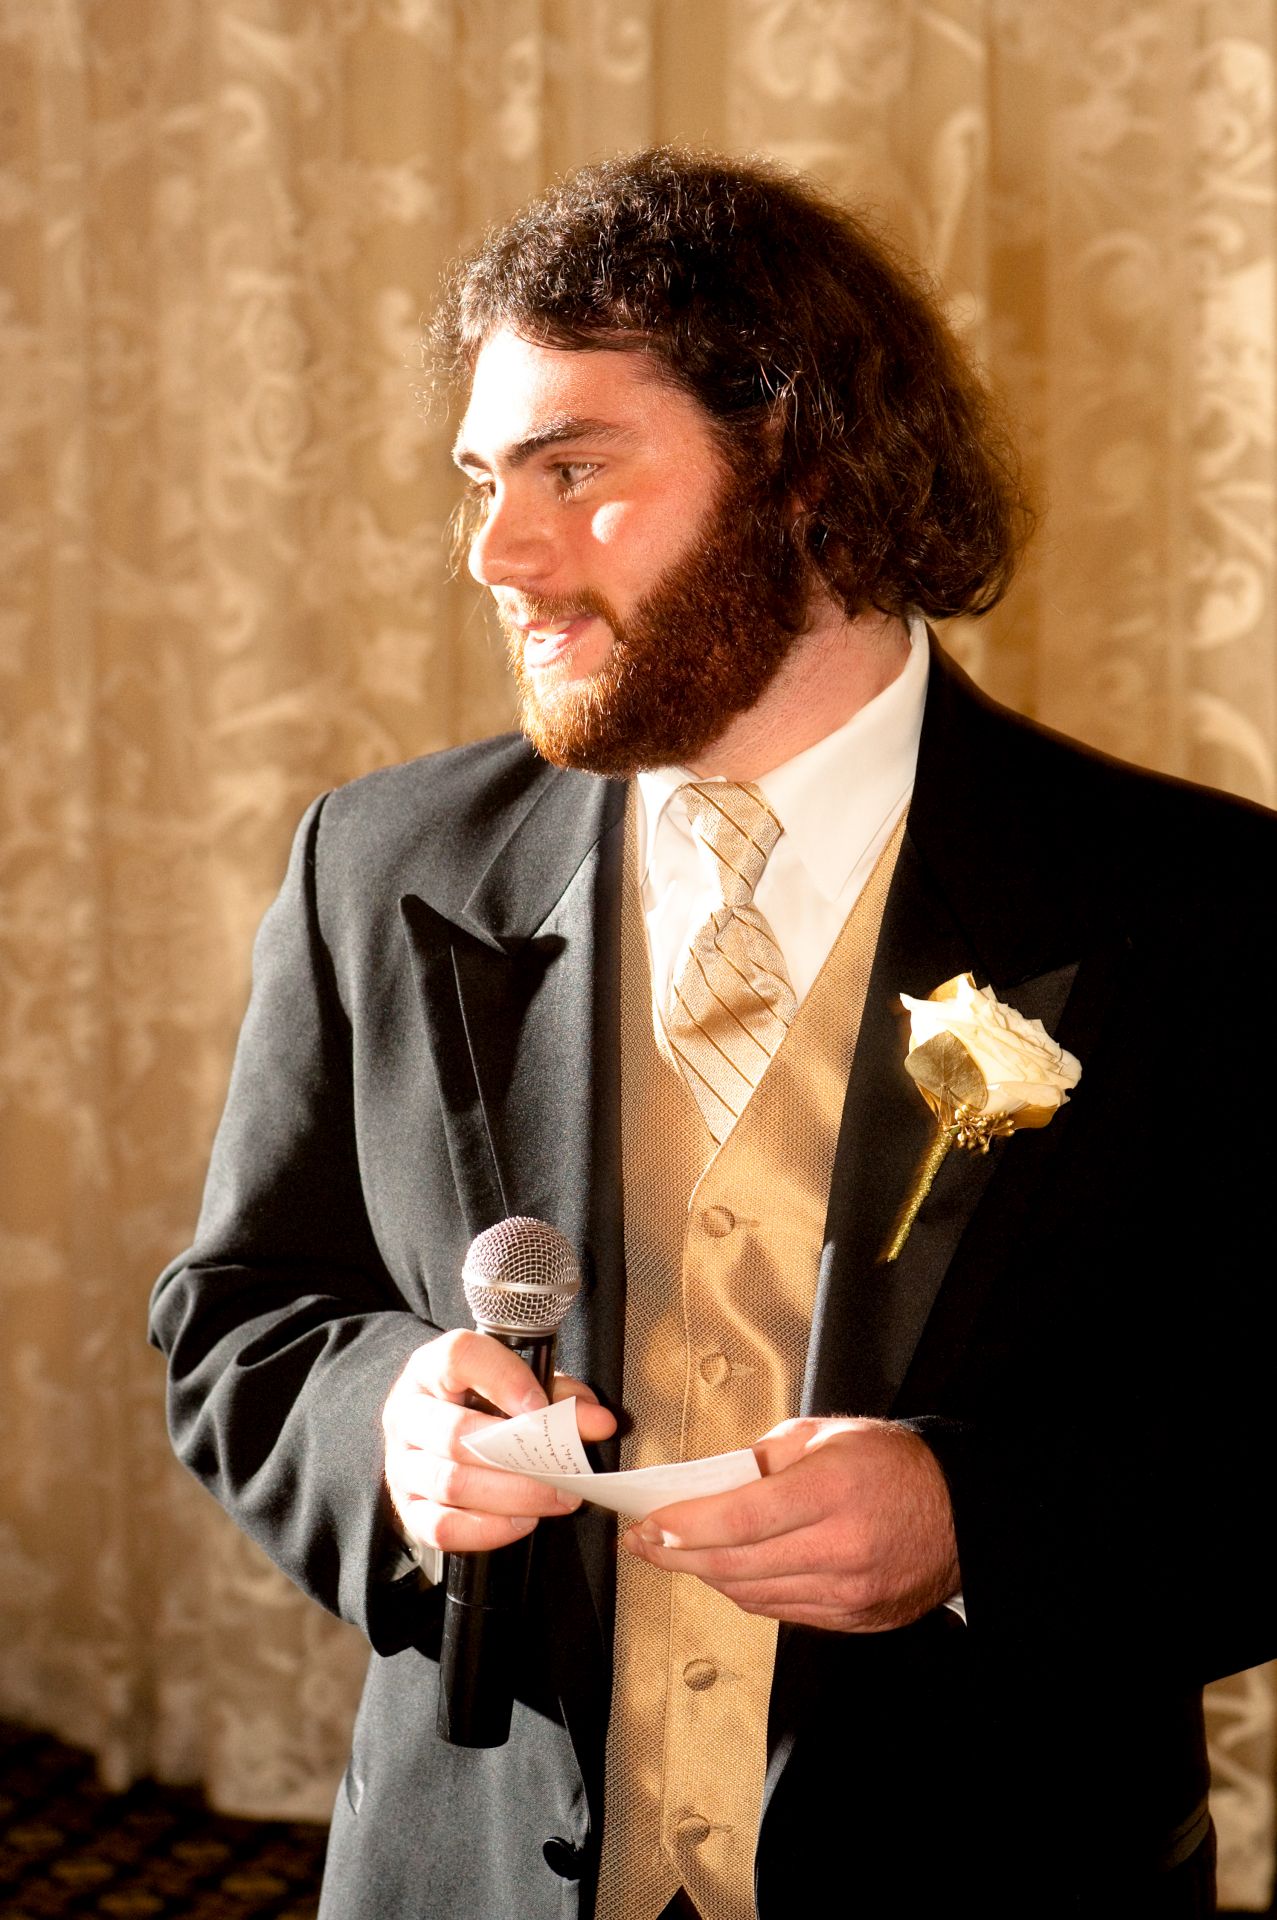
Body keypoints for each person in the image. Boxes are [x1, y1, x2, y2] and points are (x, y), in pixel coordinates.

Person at [150, 148, 1276, 1919]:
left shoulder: (1203, 904)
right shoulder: (377, 863)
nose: (496, 553)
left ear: (807, 470)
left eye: (573, 472)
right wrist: (387, 1427)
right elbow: (240, 1321)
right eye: (482, 481)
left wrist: (981, 1527)